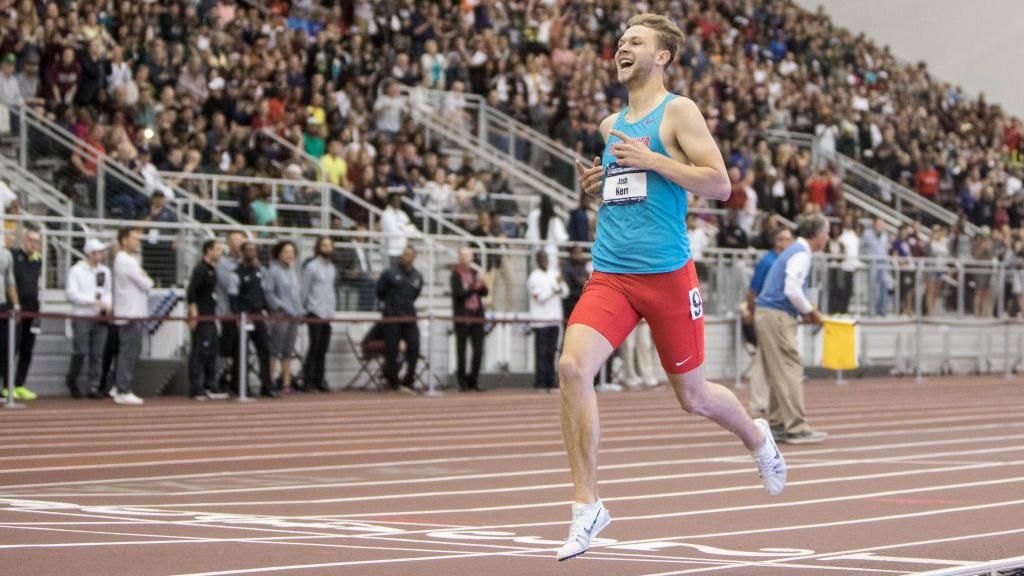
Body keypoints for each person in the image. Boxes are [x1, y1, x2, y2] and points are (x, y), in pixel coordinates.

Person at [558, 15, 785, 561]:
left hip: (666, 277)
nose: (622, 47)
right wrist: (599, 188)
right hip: (611, 273)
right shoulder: (611, 123)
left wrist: (654, 159)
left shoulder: (678, 111)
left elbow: (721, 184)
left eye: (635, 41)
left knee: (694, 396)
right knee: (571, 367)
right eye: (620, 41)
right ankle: (586, 505)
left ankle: (756, 436)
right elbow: (629, 192)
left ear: (662, 56)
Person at [755, 214, 831, 445]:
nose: (828, 238)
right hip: (776, 315)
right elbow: (792, 290)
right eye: (826, 233)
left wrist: (803, 312)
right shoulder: (801, 253)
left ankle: (779, 423)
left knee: (779, 370)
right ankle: (796, 426)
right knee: (790, 369)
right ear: (817, 235)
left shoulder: (794, 251)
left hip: (769, 313)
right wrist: (812, 312)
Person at [744, 227, 794, 417]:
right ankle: (759, 402)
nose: (785, 244)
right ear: (775, 242)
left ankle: (764, 400)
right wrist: (751, 312)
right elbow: (753, 290)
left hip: (777, 312)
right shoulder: (768, 261)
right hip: (765, 312)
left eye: (789, 240)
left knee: (764, 356)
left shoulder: (785, 261)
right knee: (762, 357)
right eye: (782, 239)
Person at [65, 239, 111, 399]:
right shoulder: (76, 270)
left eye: (102, 252)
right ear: (90, 253)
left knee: (97, 353)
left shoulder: (104, 271)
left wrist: (107, 304)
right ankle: (72, 380)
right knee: (81, 351)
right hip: (82, 316)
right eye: (98, 252)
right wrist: (93, 301)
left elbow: (108, 291)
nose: (102, 254)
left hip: (100, 316)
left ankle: (94, 386)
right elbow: (72, 294)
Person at [112, 227, 152, 406]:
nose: (137, 242)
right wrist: (146, 278)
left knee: (128, 351)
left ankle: (119, 385)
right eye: (134, 238)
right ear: (124, 240)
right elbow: (145, 283)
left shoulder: (128, 260)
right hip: (130, 313)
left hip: (132, 311)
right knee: (129, 352)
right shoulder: (126, 261)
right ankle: (123, 389)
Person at [376, 245, 423, 395]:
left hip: (409, 316)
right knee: (392, 349)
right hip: (392, 316)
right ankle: (392, 380)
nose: (407, 257)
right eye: (405, 255)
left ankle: (409, 379)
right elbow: (380, 291)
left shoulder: (417, 276)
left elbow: (416, 294)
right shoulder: (390, 272)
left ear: (414, 257)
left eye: (410, 255)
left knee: (414, 346)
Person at [233, 241, 277, 398]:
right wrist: (237, 316)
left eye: (254, 250)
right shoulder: (237, 273)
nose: (252, 253)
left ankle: (267, 385)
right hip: (245, 316)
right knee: (242, 353)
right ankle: (241, 387)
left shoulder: (260, 272)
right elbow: (234, 297)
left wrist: (269, 310)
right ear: (242, 252)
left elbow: (263, 293)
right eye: (248, 250)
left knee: (265, 350)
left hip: (259, 315)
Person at [186, 239, 228, 401]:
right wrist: (194, 313)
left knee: (212, 351)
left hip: (210, 315)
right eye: (217, 249)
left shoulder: (212, 269)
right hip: (202, 316)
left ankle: (210, 384)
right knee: (199, 351)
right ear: (208, 251)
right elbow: (192, 292)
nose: (220, 253)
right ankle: (196, 387)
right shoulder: (200, 269)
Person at [265, 241, 303, 394]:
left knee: (288, 350)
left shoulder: (293, 271)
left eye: (292, 252)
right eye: (286, 252)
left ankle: (286, 383)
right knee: (274, 349)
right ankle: (270, 381)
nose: (289, 255)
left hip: (294, 315)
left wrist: (299, 310)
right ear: (279, 253)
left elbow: (295, 294)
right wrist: (278, 307)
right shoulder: (273, 271)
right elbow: (268, 291)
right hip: (281, 315)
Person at [528, 250, 567, 393]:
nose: (544, 261)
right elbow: (540, 298)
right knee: (541, 352)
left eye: (546, 258)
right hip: (540, 320)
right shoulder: (533, 277)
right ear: (537, 260)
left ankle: (551, 381)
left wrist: (559, 286)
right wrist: (555, 288)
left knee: (552, 352)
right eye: (541, 258)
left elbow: (565, 292)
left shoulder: (554, 274)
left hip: (555, 319)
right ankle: (540, 382)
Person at [301, 236, 336, 393]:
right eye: (324, 245)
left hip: (327, 312)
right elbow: (305, 289)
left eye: (329, 245)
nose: (327, 248)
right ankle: (307, 380)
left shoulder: (332, 268)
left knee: (323, 348)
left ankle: (319, 379)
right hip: (314, 311)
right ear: (318, 247)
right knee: (314, 346)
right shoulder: (312, 266)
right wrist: (303, 310)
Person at [450, 246, 488, 392]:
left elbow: (483, 293)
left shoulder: (474, 272)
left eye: (470, 256)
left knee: (478, 350)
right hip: (463, 316)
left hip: (477, 315)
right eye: (465, 256)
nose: (468, 259)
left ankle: (474, 379)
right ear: (460, 258)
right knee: (462, 350)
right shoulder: (455, 275)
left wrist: (482, 285)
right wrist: (474, 286)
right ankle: (462, 381)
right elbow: (459, 294)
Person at [11, 229, 42, 399]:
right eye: (30, 240)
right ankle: (6, 385)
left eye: (36, 241)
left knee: (27, 350)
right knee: (11, 348)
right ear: (24, 240)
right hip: (16, 310)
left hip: (33, 310)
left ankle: (19, 384)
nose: (33, 244)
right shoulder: (14, 256)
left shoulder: (38, 261)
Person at [216, 230, 245, 394]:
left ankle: (237, 382)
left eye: (241, 239)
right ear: (228, 243)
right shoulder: (223, 263)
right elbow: (230, 285)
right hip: (227, 311)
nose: (239, 243)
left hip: (244, 313)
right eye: (235, 239)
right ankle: (221, 379)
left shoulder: (245, 261)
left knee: (240, 349)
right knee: (227, 347)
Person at [860, 217, 891, 316]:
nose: (880, 227)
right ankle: (871, 311)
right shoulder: (867, 234)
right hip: (872, 263)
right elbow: (861, 247)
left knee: (884, 285)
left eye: (881, 225)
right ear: (874, 225)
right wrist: (866, 257)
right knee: (872, 287)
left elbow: (885, 249)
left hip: (883, 263)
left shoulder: (885, 235)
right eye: (878, 225)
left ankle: (882, 310)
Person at [526, 195, 568, 266]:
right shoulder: (554, 219)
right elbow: (561, 238)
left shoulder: (533, 215)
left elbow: (529, 236)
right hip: (551, 254)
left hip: (537, 253)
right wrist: (566, 236)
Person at [381, 191, 419, 268]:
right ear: (390, 201)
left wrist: (401, 227)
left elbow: (413, 229)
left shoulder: (402, 214)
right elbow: (394, 232)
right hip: (391, 251)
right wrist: (404, 228)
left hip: (403, 251)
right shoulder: (386, 214)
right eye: (395, 200)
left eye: (399, 200)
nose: (397, 202)